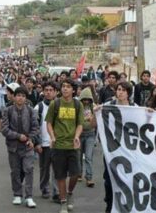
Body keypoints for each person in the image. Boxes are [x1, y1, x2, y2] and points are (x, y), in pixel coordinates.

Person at [46, 78, 84, 213]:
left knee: (76, 173)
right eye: (63, 86)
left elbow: (80, 124)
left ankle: (69, 193)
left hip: (73, 145)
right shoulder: (55, 104)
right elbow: (49, 123)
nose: (65, 89)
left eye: (68, 87)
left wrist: (76, 136)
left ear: (73, 90)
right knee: (60, 176)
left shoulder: (78, 105)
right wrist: (52, 136)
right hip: (58, 145)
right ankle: (63, 202)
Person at [99, 81, 136, 213]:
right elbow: (93, 123)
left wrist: (148, 114)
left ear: (128, 93)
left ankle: (125, 206)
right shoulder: (108, 106)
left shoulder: (135, 107)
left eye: (123, 90)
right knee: (109, 178)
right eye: (118, 89)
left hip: (128, 151)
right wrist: (96, 112)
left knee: (127, 179)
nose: (120, 92)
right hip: (111, 150)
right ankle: (109, 204)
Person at [1, 86, 40, 208]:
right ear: (14, 97)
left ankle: (29, 196)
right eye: (18, 95)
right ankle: (17, 194)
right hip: (13, 147)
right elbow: (4, 129)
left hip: (28, 146)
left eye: (23, 96)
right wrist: (18, 136)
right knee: (15, 171)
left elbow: (35, 128)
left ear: (26, 98)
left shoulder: (31, 111)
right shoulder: (7, 110)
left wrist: (31, 139)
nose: (20, 98)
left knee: (29, 170)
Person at [34, 81, 59, 201]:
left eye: (51, 90)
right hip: (43, 143)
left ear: (55, 92)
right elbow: (34, 127)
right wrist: (37, 143)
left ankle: (56, 192)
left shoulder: (60, 106)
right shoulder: (38, 107)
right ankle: (44, 188)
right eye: (46, 90)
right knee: (44, 169)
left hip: (58, 143)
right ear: (43, 91)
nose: (48, 92)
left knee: (57, 169)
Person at [78, 87, 97, 187]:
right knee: (79, 156)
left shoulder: (93, 107)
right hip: (80, 134)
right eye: (84, 99)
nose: (86, 101)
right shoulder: (77, 106)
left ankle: (89, 177)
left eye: (87, 99)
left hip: (90, 134)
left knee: (88, 157)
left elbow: (96, 120)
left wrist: (93, 118)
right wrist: (86, 118)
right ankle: (79, 173)